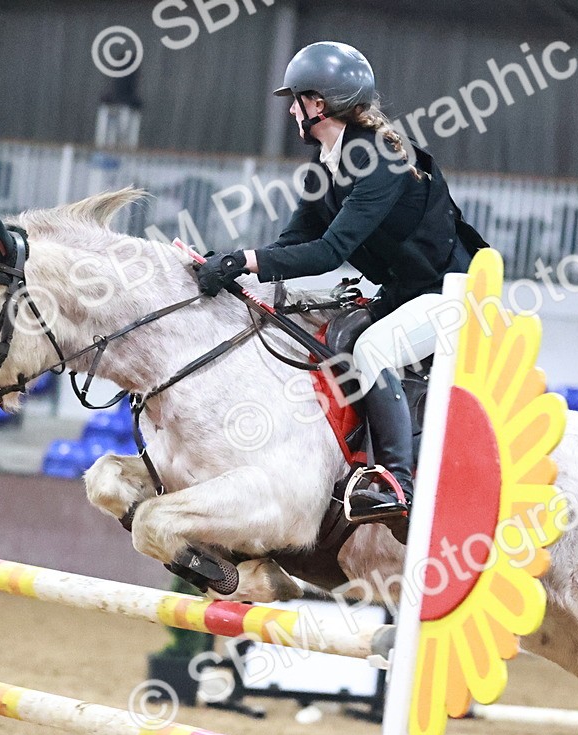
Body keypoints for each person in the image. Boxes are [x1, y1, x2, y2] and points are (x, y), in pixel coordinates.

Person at [194, 41, 487, 523]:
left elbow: (330, 253)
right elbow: (293, 242)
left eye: (296, 99)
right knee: (334, 332)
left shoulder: (379, 161)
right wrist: (237, 272)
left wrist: (244, 260)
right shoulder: (324, 166)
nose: (290, 108)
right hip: (405, 294)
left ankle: (398, 482)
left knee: (373, 349)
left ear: (319, 104)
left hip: (455, 293)